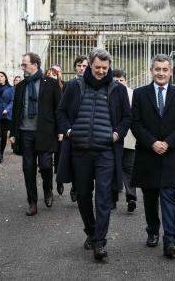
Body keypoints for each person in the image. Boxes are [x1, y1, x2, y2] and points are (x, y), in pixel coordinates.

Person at [56, 48, 131, 260]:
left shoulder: (118, 89)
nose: (101, 71)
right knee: (82, 195)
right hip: (80, 151)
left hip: (106, 152)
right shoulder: (73, 86)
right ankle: (91, 230)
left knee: (104, 197)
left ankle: (100, 242)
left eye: (105, 68)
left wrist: (117, 134)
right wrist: (69, 131)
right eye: (97, 67)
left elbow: (127, 117)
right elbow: (61, 112)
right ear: (89, 65)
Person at [131, 54, 175, 258]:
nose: (161, 73)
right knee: (150, 198)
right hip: (147, 154)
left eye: (165, 69)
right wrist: (152, 143)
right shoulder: (140, 94)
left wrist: (168, 143)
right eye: (157, 69)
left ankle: (170, 240)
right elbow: (135, 123)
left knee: (169, 197)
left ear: (171, 72)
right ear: (151, 70)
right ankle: (152, 231)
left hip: (171, 154)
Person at [10, 53, 62, 216]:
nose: (22, 67)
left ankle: (48, 189)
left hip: (45, 132)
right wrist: (13, 132)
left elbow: (58, 108)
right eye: (22, 64)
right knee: (28, 168)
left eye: (25, 64)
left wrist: (60, 130)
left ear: (35, 65)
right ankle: (32, 202)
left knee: (46, 165)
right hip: (25, 133)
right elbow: (16, 110)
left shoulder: (51, 84)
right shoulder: (20, 86)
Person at [111, 68, 137, 213]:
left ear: (126, 80)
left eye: (121, 80)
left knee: (129, 168)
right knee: (112, 168)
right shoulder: (108, 92)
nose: (119, 83)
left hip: (129, 137)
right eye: (116, 81)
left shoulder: (133, 94)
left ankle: (131, 197)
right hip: (113, 137)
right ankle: (112, 198)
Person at [64, 55, 88, 202]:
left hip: (88, 126)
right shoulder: (70, 84)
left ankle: (81, 186)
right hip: (73, 128)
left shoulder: (93, 84)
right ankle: (75, 185)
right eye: (79, 65)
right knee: (74, 160)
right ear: (75, 67)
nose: (81, 68)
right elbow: (63, 107)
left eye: (84, 66)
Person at [45, 66, 65, 195]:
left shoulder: (64, 87)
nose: (51, 75)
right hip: (47, 128)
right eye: (49, 73)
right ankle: (49, 187)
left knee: (59, 156)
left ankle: (59, 180)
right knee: (46, 160)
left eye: (54, 73)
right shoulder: (42, 88)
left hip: (60, 127)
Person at [0, 71, 13, 164]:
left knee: (4, 136)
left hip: (6, 115)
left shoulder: (10, 88)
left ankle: (1, 153)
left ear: (5, 78)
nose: (0, 78)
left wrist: (7, 109)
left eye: (2, 76)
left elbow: (12, 101)